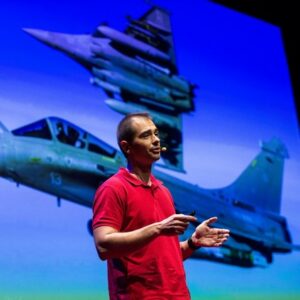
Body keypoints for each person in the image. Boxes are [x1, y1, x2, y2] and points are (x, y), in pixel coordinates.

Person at [92, 113, 230, 299]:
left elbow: (163, 256)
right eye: (146, 135)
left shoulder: (164, 192)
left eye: (156, 133)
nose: (156, 140)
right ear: (127, 147)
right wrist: (158, 228)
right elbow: (104, 246)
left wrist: (192, 243)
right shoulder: (113, 188)